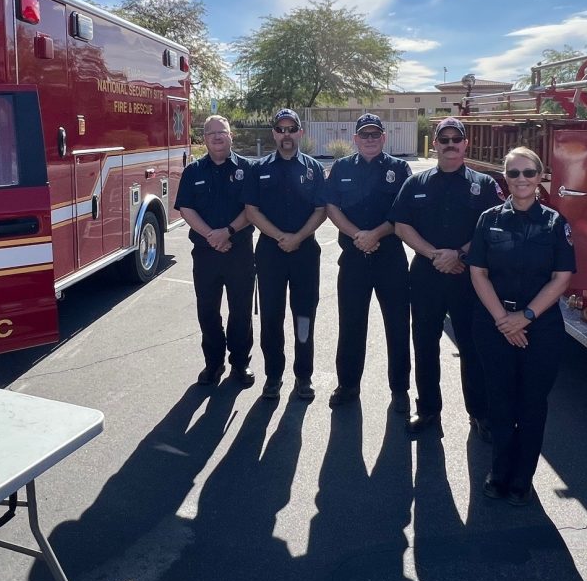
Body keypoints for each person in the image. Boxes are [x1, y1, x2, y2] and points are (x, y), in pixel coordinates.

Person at [467, 146, 575, 506]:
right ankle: (498, 472)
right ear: (505, 178)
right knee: (499, 400)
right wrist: (503, 319)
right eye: (514, 174)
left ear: (540, 176)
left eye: (529, 173)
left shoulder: (555, 223)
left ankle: (522, 477)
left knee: (531, 404)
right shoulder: (488, 219)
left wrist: (525, 317)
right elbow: (478, 273)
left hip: (540, 327)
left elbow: (562, 278)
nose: (522, 180)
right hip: (495, 324)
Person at [390, 116, 501, 435]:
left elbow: (492, 227)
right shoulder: (416, 184)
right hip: (427, 275)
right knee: (425, 344)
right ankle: (427, 410)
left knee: (473, 346)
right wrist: (434, 254)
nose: (450, 144)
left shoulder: (485, 185)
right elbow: (401, 225)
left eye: (456, 139)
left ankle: (480, 413)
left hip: (470, 277)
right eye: (444, 139)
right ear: (435, 143)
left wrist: (459, 254)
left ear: (466, 144)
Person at [323, 113, 413, 414]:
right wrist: (357, 235)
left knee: (398, 326)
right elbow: (331, 207)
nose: (370, 139)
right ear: (355, 139)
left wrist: (375, 234)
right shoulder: (342, 167)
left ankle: (400, 389)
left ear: (384, 138)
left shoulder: (399, 168)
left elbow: (403, 211)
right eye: (365, 135)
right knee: (351, 325)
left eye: (376, 134)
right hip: (353, 259)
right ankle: (347, 385)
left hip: (390, 259)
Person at [244, 108, 327, 400]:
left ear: (300, 132)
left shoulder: (313, 169)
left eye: (292, 129)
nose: (287, 134)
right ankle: (273, 376)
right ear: (274, 134)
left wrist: (298, 237)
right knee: (271, 316)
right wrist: (280, 237)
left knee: (304, 315)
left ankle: (303, 377)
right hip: (270, 252)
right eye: (281, 129)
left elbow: (321, 210)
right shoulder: (259, 168)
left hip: (305, 252)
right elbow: (251, 210)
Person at [173, 115, 256, 387]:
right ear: (204, 138)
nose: (217, 137)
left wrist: (227, 232)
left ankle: (240, 365)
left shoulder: (247, 169)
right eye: (211, 133)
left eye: (222, 132)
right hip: (206, 253)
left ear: (231, 136)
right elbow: (186, 208)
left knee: (240, 311)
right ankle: (213, 363)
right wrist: (212, 236)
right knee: (208, 311)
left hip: (239, 252)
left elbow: (252, 210)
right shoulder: (193, 171)